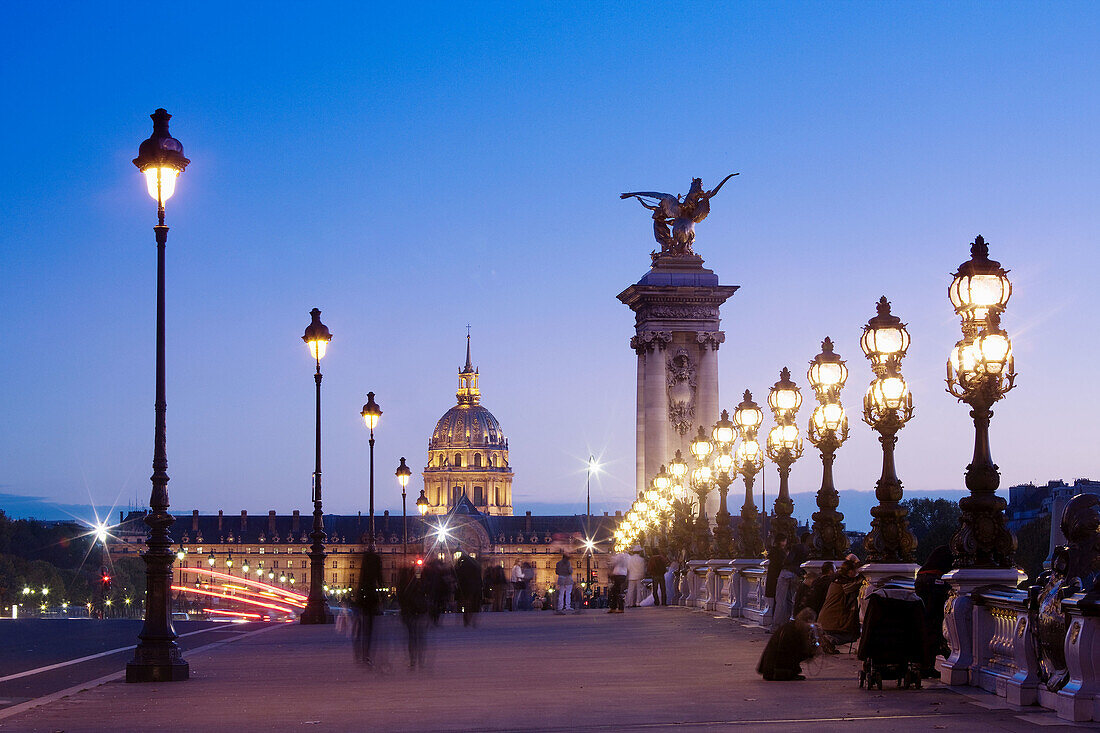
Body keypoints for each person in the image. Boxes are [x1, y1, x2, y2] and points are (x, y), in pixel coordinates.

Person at [915, 545, 953, 676]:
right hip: (933, 582)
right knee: (934, 624)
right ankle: (929, 663)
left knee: (926, 624)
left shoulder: (941, 551)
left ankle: (925, 664)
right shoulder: (952, 554)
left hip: (921, 580)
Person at [757, 608, 818, 681]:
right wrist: (814, 648)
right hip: (776, 672)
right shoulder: (793, 632)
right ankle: (788, 674)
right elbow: (800, 655)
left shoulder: (790, 627)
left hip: (769, 670)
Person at [818, 559, 864, 651]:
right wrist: (863, 577)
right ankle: (829, 639)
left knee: (851, 634)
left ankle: (829, 643)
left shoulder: (837, 579)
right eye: (855, 571)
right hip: (833, 619)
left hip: (828, 618)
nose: (856, 573)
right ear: (850, 571)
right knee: (853, 635)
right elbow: (855, 585)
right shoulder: (844, 583)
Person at [351, 548, 383, 666]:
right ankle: (366, 654)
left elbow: (360, 580)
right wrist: (383, 597)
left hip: (363, 597)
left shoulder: (365, 560)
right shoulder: (376, 560)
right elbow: (380, 579)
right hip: (372, 597)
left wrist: (357, 597)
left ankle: (360, 651)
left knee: (361, 626)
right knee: (369, 628)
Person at [396, 564, 428, 670]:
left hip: (409, 611)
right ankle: (420, 660)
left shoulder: (402, 584)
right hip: (417, 610)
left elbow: (400, 598)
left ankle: (413, 660)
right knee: (419, 636)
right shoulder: (417, 581)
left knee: (412, 636)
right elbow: (423, 593)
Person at [775, 533, 811, 629]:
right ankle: (787, 624)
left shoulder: (796, 547)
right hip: (796, 575)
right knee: (790, 600)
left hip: (787, 573)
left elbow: (788, 561)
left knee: (780, 601)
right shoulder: (809, 549)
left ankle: (776, 625)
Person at [764, 535, 788, 630]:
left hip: (772, 580)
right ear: (782, 542)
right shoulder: (780, 554)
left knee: (775, 604)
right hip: (778, 581)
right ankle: (776, 625)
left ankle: (775, 624)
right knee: (779, 603)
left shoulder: (773, 553)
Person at [454, 552, 482, 627]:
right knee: (472, 602)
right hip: (474, 586)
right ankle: (471, 618)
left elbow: (458, 575)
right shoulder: (475, 565)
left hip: (464, 587)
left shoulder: (463, 566)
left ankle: (466, 618)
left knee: (465, 602)